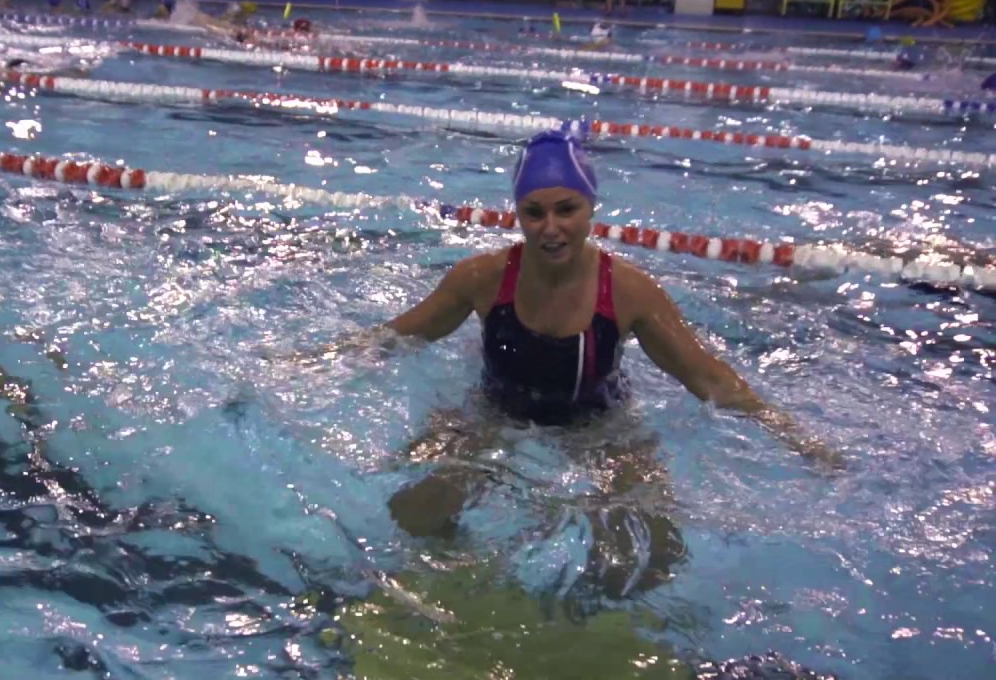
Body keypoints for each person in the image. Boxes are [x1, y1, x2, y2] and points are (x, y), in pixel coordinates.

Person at [346, 123, 841, 535]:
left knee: (650, 542)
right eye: (533, 212)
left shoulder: (627, 291)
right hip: (495, 414)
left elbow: (707, 377)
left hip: (598, 426)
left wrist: (793, 435)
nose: (550, 227)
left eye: (567, 209)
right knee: (411, 510)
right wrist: (320, 358)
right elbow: (400, 335)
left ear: (591, 208)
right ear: (517, 213)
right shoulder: (482, 278)